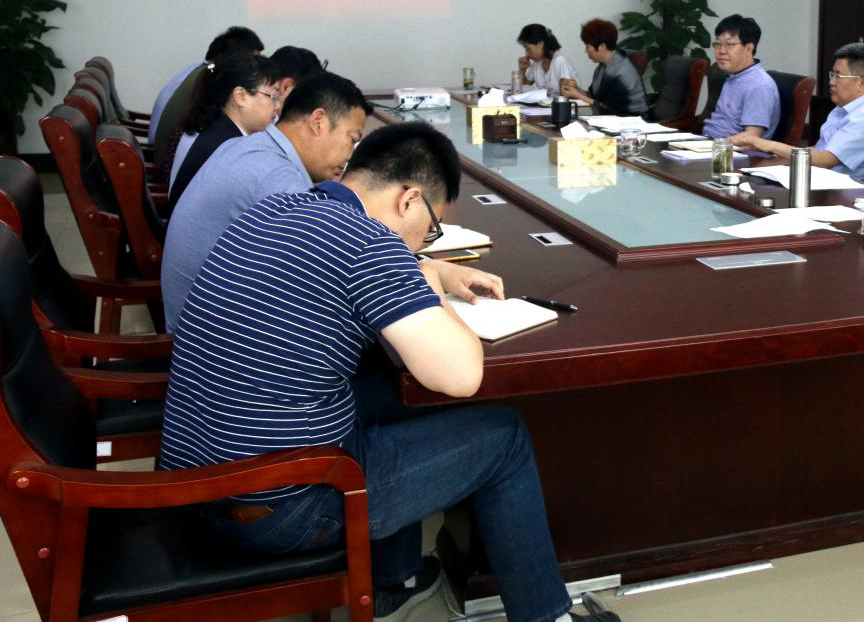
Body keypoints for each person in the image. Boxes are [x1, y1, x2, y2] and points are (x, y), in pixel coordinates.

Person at [158, 121, 616, 622]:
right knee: (503, 437)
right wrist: (431, 289)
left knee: (393, 394)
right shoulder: (368, 243)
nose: (424, 242)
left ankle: (395, 579)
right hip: (281, 508)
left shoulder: (277, 207)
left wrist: (427, 271)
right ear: (409, 200)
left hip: (195, 481)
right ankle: (548, 617)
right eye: (432, 228)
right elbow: (461, 375)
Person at [161, 71, 371, 328]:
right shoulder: (277, 176)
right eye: (352, 140)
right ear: (318, 122)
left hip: (193, 313)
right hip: (205, 335)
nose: (349, 156)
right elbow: (323, 267)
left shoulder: (252, 146)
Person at [734, 42, 864, 179]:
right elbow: (817, 150)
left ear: (862, 83)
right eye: (832, 74)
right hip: (816, 178)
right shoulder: (843, 109)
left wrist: (765, 144)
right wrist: (757, 168)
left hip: (839, 193)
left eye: (838, 76)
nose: (831, 82)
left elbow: (826, 159)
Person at [167, 50, 281, 207]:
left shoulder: (217, 127)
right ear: (241, 96)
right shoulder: (230, 147)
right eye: (273, 97)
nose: (278, 106)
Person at [149, 25, 263, 146]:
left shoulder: (198, 70)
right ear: (235, 59)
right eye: (253, 62)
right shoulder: (211, 80)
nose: (256, 68)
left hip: (161, 147)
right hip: (165, 152)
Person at [700, 14, 780, 141]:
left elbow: (751, 137)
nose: (721, 51)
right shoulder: (734, 75)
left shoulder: (759, 85)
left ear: (749, 48)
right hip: (708, 141)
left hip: (732, 150)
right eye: (717, 44)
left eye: (729, 44)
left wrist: (714, 146)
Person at [559, 19, 648, 117]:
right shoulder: (603, 66)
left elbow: (609, 109)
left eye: (588, 46)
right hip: (609, 118)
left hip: (630, 120)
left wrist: (577, 95)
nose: (586, 51)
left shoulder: (621, 71)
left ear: (602, 46)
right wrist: (575, 89)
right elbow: (594, 97)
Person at [516, 23, 577, 96]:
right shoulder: (537, 63)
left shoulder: (559, 61)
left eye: (528, 49)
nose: (526, 54)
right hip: (547, 103)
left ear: (540, 44)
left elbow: (566, 94)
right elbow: (525, 86)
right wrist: (522, 70)